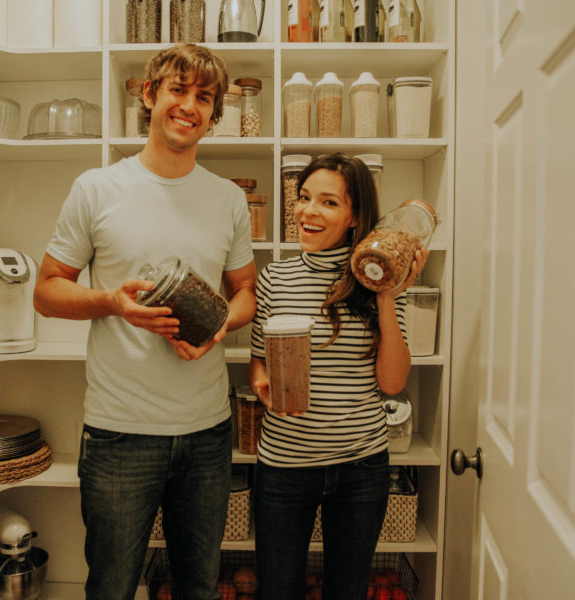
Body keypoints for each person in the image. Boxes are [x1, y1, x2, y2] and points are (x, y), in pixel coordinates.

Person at [33, 43, 257, 600]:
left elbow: (246, 292)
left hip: (207, 432)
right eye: (178, 90)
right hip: (118, 433)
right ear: (150, 94)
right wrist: (112, 301)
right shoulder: (97, 188)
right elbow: (46, 290)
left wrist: (217, 329)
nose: (190, 106)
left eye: (204, 98)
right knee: (111, 586)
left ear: (214, 113)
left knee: (199, 587)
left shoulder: (228, 198)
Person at [248, 153, 428, 600]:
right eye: (304, 197)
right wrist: (260, 383)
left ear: (354, 217)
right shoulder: (276, 278)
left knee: (347, 590)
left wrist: (387, 294)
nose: (308, 211)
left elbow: (391, 383)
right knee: (278, 589)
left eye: (328, 202)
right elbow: (258, 360)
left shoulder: (379, 277)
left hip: (360, 466)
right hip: (284, 466)